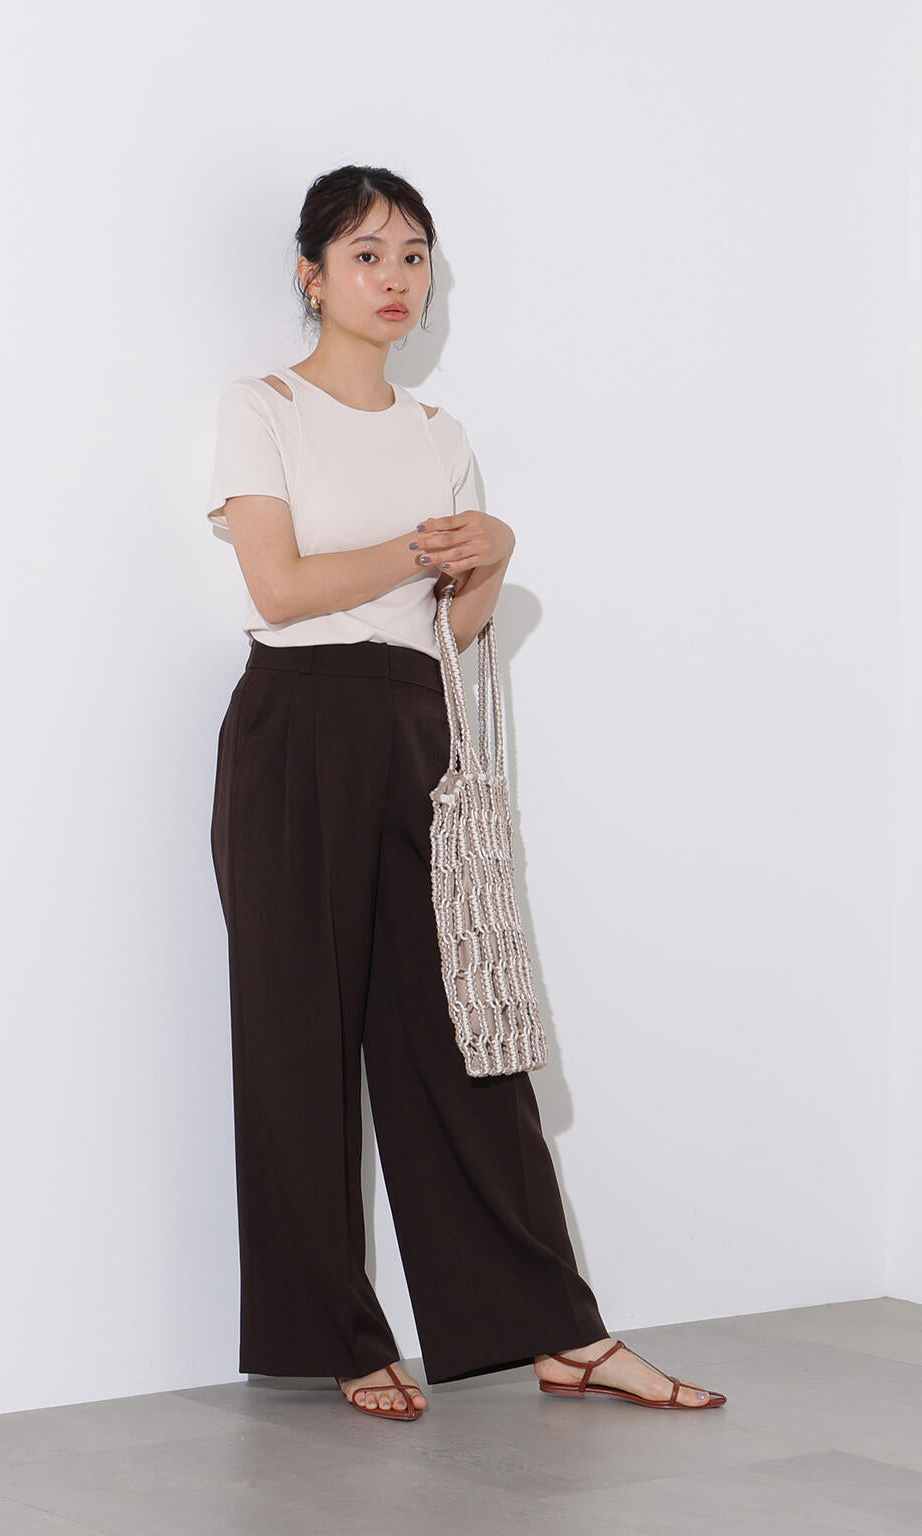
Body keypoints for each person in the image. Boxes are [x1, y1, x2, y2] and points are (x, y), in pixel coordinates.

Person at [205, 164, 726, 1422]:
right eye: (366, 254)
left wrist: (491, 558)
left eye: (413, 256)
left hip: (415, 726)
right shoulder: (260, 406)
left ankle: (560, 1331)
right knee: (296, 1038)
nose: (394, 279)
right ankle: (337, 1335)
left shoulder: (439, 435)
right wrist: (414, 550)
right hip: (293, 731)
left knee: (466, 1036)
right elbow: (276, 589)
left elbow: (453, 630)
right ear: (311, 276)